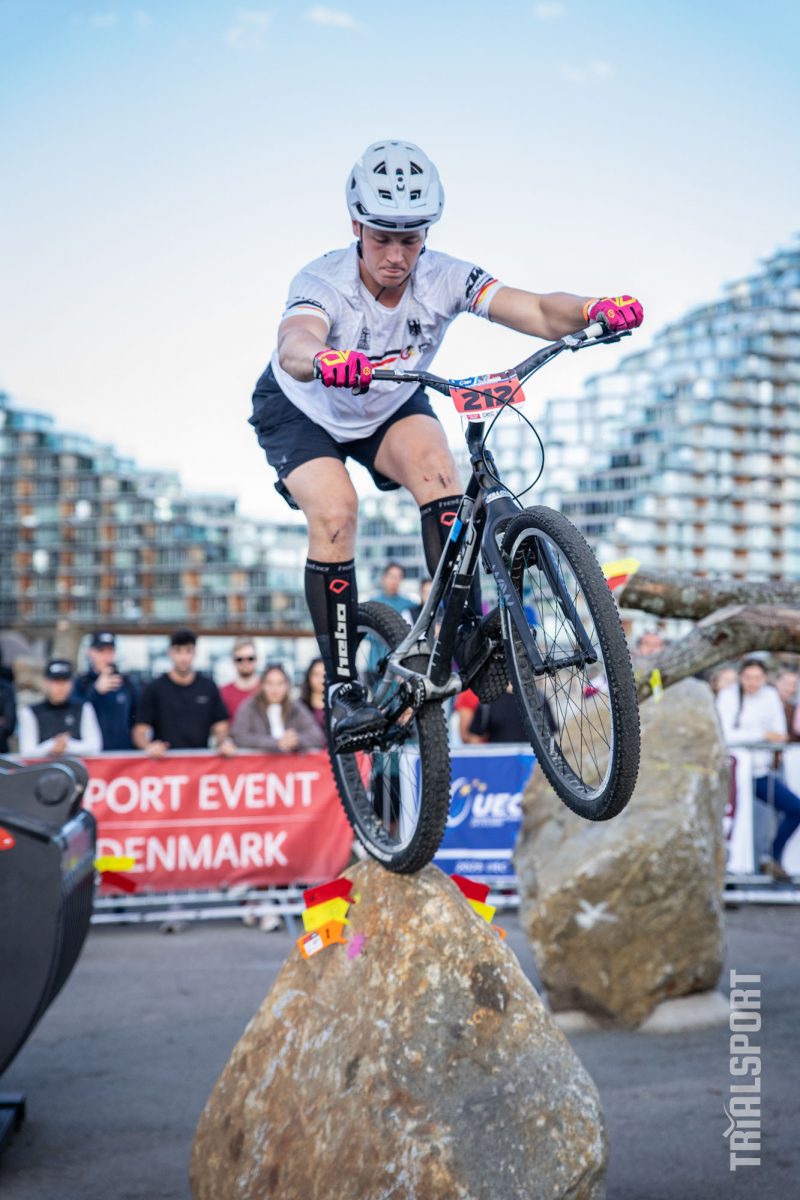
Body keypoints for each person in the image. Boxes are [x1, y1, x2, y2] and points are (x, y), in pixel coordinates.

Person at [248, 138, 643, 749]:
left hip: (387, 400)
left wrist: (593, 307)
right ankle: (344, 685)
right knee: (336, 513)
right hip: (303, 407)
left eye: (410, 239)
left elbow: (535, 308)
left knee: (441, 471)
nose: (396, 256)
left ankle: (464, 635)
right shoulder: (322, 281)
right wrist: (323, 358)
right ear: (356, 227)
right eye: (382, 238)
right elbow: (295, 341)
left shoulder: (443, 277)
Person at [716, 658, 800, 879]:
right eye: (748, 677)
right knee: (731, 821)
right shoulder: (728, 696)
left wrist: (759, 737)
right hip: (733, 773)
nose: (752, 682)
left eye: (757, 678)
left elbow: (780, 733)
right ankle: (729, 868)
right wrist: (761, 734)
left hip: (759, 772)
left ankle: (771, 856)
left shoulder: (770, 696)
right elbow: (725, 734)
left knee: (795, 808)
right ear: (741, 677)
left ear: (764, 678)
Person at [132, 629, 236, 759]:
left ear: (194, 653)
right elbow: (140, 730)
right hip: (164, 764)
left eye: (188, 651)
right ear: (170, 653)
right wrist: (149, 746)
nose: (183, 657)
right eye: (178, 651)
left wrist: (222, 743)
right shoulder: (155, 688)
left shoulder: (208, 687)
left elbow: (221, 725)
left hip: (201, 763)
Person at [231, 664, 326, 753]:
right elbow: (239, 737)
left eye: (280, 683)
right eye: (270, 683)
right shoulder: (249, 707)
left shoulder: (296, 708)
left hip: (291, 764)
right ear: (262, 685)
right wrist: (275, 743)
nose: (275, 689)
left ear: (287, 686)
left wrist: (296, 740)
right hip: (259, 763)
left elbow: (317, 737)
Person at [18, 659, 102, 758]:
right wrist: (52, 746)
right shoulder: (30, 712)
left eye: (65, 681)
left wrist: (67, 745)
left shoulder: (84, 708)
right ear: (46, 683)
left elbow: (95, 747)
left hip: (77, 767)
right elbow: (26, 752)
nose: (61, 687)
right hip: (43, 767)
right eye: (56, 682)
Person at [73, 631, 137, 750]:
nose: (106, 657)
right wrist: (95, 691)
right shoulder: (80, 683)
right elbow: (73, 716)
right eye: (101, 651)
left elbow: (137, 718)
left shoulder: (126, 683)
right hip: (90, 754)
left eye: (110, 651)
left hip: (122, 753)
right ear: (91, 652)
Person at [220, 638, 260, 720]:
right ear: (233, 661)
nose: (245, 663)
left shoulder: (267, 690)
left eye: (250, 658)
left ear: (257, 659)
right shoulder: (223, 693)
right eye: (240, 659)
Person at [299, 657, 326, 733]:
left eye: (324, 675)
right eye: (316, 674)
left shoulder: (339, 707)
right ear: (309, 677)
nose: (321, 679)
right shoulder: (299, 706)